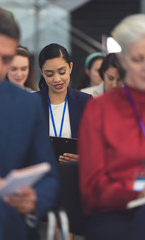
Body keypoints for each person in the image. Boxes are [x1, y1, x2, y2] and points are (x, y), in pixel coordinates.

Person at [0, 6, 59, 240]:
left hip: (8, 218)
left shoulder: (26, 105)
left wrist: (33, 198)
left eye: (6, 59)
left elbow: (50, 177)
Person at [79, 14, 145, 240]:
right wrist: (137, 191)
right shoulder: (99, 110)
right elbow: (92, 191)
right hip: (117, 216)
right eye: (138, 60)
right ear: (124, 60)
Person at [36, 43, 91, 163]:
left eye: (62, 72)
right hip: (42, 174)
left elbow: (97, 145)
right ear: (41, 72)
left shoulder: (85, 102)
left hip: (75, 174)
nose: (57, 79)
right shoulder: (31, 103)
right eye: (49, 74)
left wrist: (83, 159)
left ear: (70, 67)